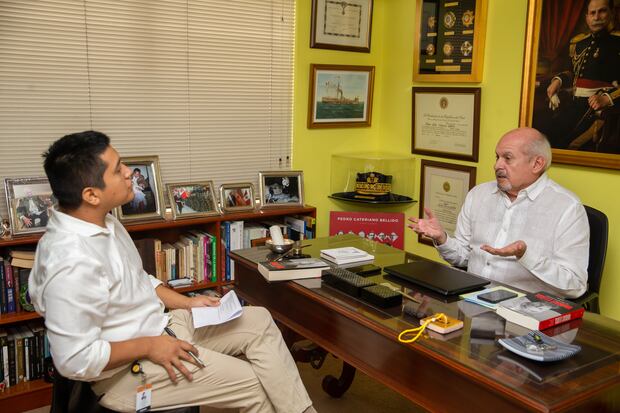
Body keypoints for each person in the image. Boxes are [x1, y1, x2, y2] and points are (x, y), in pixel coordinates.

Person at [29, 131, 316, 413]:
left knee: (260, 321)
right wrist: (150, 346)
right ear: (91, 195)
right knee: (255, 385)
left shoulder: (105, 223)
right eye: (117, 170)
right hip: (127, 372)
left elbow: (139, 281)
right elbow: (76, 360)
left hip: (162, 326)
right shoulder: (70, 262)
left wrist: (188, 303)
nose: (129, 172)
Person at [409, 128, 589, 299]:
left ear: (537, 164)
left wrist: (525, 256)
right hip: (471, 299)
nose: (497, 165)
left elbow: (575, 286)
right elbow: (463, 258)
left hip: (524, 310)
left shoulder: (567, 208)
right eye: (497, 157)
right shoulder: (478, 195)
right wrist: (442, 239)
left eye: (507, 158)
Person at [543, 0, 620, 152]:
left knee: (572, 146)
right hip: (574, 105)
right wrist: (557, 81)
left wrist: (606, 98)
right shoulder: (579, 43)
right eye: (592, 13)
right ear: (587, 17)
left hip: (600, 111)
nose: (596, 17)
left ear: (612, 13)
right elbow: (572, 72)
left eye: (602, 11)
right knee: (548, 137)